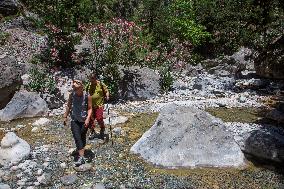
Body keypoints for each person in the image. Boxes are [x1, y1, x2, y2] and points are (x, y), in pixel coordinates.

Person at [63, 79, 92, 166]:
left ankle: (80, 150)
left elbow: (90, 108)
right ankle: (81, 157)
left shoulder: (87, 96)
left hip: (84, 121)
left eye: (77, 83)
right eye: (74, 83)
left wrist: (87, 119)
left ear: (82, 86)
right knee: (77, 137)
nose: (74, 84)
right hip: (74, 120)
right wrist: (65, 116)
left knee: (82, 137)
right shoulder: (72, 95)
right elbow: (68, 106)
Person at [87, 73, 110, 140]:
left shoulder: (100, 84)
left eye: (92, 80)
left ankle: (102, 128)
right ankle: (92, 131)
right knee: (90, 119)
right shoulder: (88, 85)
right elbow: (85, 92)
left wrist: (107, 96)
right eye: (90, 80)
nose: (91, 82)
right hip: (90, 105)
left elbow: (106, 91)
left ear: (95, 79)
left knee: (99, 118)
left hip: (99, 105)